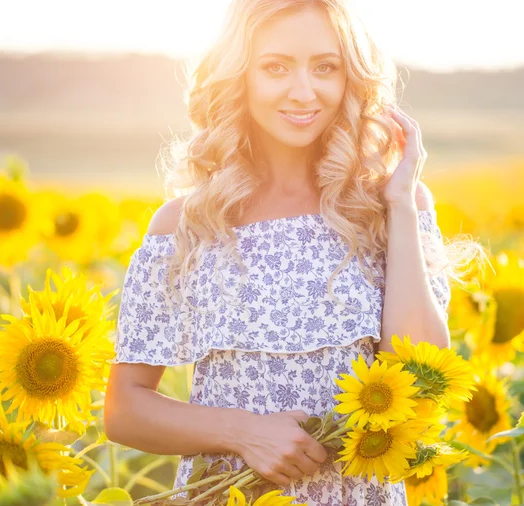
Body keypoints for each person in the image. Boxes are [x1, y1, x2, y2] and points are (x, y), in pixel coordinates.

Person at [104, 0, 479, 504]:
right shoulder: (186, 225)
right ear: (239, 76)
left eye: (326, 67)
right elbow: (125, 410)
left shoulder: (390, 207)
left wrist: (399, 204)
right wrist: (243, 432)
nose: (304, 92)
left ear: (352, 79)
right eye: (276, 67)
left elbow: (421, 366)